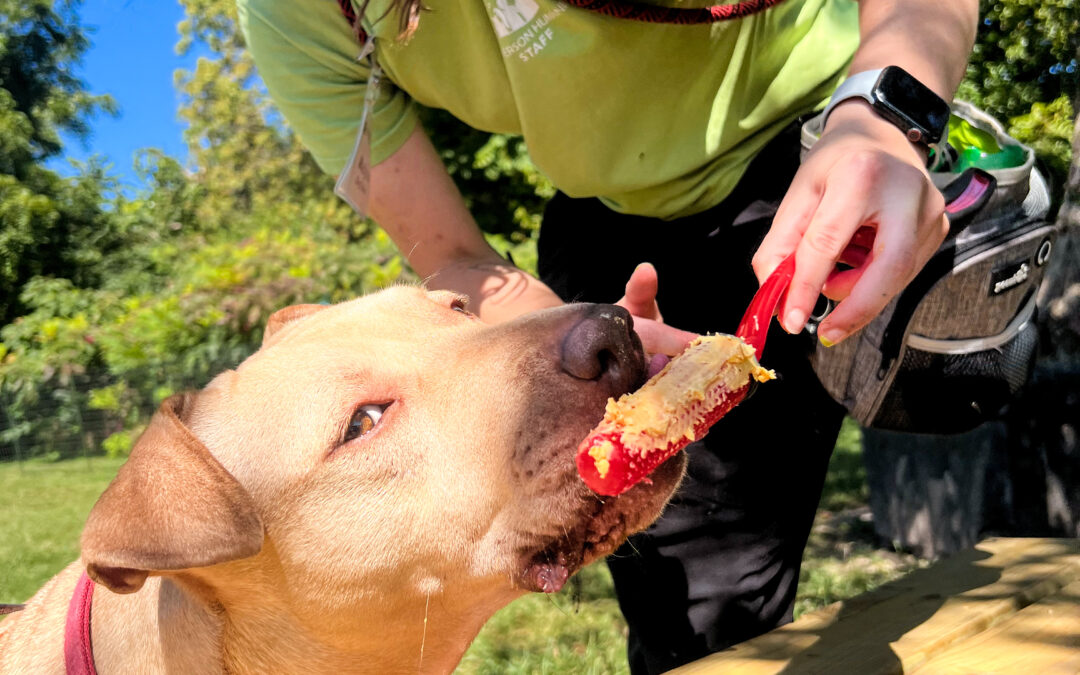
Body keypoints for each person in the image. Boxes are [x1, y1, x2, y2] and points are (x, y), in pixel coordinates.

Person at [237, 0, 979, 671]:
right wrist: (572, 348)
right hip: (603, 217)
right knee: (700, 613)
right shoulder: (296, 13)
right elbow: (457, 258)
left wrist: (885, 119)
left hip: (827, 137)